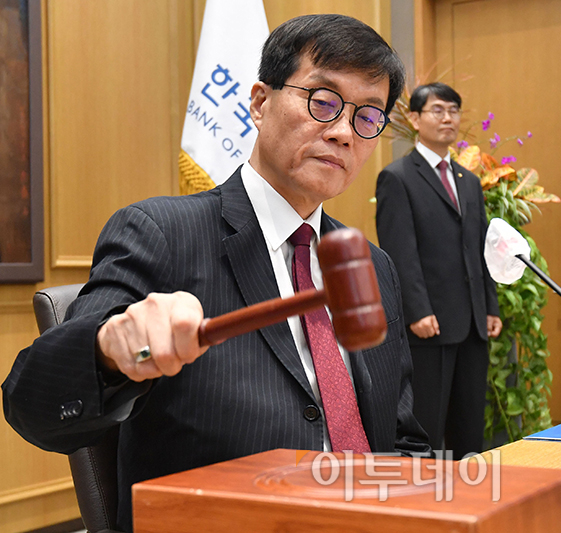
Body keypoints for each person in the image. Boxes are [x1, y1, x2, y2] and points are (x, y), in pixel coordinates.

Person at [3, 14, 430, 532]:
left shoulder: (372, 264)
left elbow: (402, 437)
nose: (343, 132)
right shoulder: (161, 233)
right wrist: (110, 349)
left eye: (367, 117)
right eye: (323, 101)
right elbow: (33, 405)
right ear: (259, 100)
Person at [375, 83, 501, 459]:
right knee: (427, 424)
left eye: (454, 111)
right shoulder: (398, 177)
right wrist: (416, 310)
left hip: (472, 323)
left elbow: (480, 249)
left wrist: (490, 305)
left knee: (469, 426)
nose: (448, 118)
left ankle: (469, 501)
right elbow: (399, 252)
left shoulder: (469, 181)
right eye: (438, 110)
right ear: (414, 119)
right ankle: (426, 503)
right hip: (429, 323)